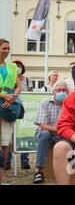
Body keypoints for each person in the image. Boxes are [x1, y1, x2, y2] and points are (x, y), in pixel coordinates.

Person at [33, 81, 69, 184]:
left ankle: (71, 171)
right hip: (46, 134)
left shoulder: (70, 104)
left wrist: (64, 130)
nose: (61, 92)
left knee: (72, 139)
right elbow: (43, 125)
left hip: (63, 135)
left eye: (64, 90)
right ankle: (39, 171)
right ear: (53, 92)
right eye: (59, 90)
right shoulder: (44, 103)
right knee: (44, 134)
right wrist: (61, 129)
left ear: (68, 92)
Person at [0, 39, 22, 176]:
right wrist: (3, 96)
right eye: (4, 48)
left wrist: (13, 96)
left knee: (5, 140)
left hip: (8, 105)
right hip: (4, 100)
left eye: (8, 48)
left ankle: (1, 176)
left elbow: (18, 86)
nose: (7, 51)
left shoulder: (12, 67)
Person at [6, 60, 30, 170]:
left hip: (23, 110)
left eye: (19, 66)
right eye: (15, 66)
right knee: (10, 135)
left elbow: (30, 93)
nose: (17, 68)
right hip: (12, 108)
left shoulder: (27, 80)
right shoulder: (9, 78)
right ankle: (7, 161)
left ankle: (25, 161)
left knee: (24, 134)